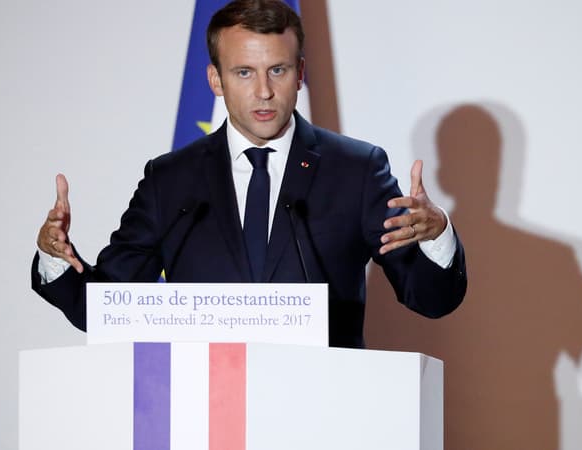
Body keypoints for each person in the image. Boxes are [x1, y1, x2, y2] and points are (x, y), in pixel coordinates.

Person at [32, 0, 467, 348]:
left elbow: (430, 299)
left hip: (328, 412)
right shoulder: (171, 181)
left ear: (299, 75)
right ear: (215, 80)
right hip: (205, 414)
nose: (263, 91)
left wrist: (437, 235)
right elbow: (104, 308)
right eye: (244, 72)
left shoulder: (355, 170)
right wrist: (57, 258)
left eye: (277, 70)